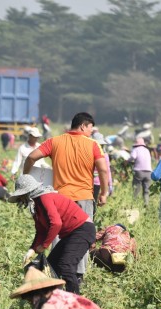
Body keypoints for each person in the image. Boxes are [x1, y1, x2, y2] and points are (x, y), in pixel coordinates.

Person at [23, 112, 109, 280]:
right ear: (83, 126)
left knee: (59, 234)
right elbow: (103, 169)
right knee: (82, 237)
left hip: (60, 198)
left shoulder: (54, 141)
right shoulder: (93, 145)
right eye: (90, 128)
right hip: (84, 196)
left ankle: (57, 273)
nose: (91, 132)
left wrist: (26, 177)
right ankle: (78, 275)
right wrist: (104, 193)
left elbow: (31, 157)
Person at [8, 174, 95, 295]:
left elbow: (56, 223)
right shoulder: (36, 206)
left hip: (82, 230)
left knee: (66, 265)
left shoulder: (45, 198)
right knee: (51, 266)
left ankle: (75, 301)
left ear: (27, 192)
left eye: (21, 196)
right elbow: (41, 230)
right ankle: (52, 299)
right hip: (70, 234)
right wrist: (32, 250)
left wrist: (44, 245)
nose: (21, 200)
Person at [129, 137, 153, 207]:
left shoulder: (136, 149)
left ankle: (134, 204)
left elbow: (133, 157)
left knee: (136, 189)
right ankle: (146, 203)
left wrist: (127, 161)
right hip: (148, 172)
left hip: (139, 171)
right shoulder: (147, 150)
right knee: (146, 190)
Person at [92, 133, 113, 208]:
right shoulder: (104, 155)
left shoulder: (105, 155)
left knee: (92, 204)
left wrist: (110, 184)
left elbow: (107, 171)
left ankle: (90, 219)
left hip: (96, 183)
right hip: (89, 183)